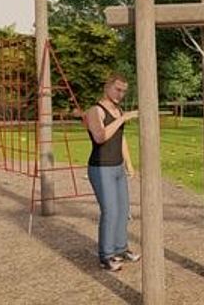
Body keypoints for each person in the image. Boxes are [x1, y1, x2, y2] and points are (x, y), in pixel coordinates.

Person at [85, 74, 140, 272]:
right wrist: (122, 118)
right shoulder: (95, 111)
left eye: (124, 91)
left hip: (117, 167)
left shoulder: (118, 110)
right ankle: (106, 256)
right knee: (110, 211)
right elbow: (100, 137)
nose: (120, 94)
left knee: (123, 210)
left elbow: (120, 138)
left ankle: (121, 249)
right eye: (117, 89)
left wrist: (129, 164)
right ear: (107, 87)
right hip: (101, 168)